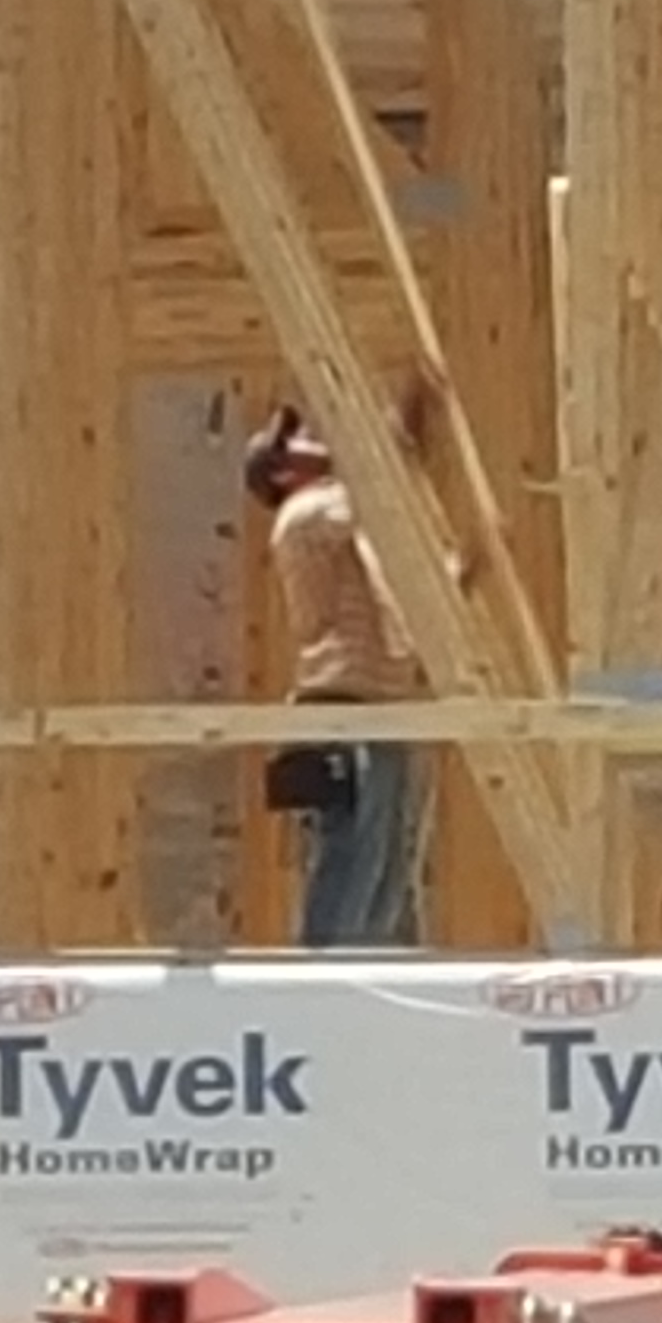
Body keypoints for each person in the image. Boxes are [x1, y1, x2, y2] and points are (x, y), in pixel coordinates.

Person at [249, 408, 432, 952]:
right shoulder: (305, 512)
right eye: (302, 440)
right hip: (344, 711)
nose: (319, 440)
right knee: (353, 862)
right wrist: (400, 435)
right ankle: (321, 986)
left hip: (377, 710)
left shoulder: (341, 525)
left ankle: (370, 985)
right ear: (284, 472)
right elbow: (373, 495)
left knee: (385, 871)